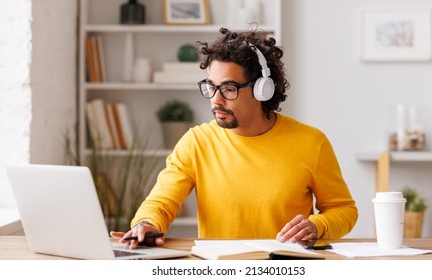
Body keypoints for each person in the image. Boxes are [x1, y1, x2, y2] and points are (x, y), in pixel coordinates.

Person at [111, 27, 358, 249]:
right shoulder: (196, 142)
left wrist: (318, 225)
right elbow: (160, 201)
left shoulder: (311, 142)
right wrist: (147, 223)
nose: (215, 100)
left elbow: (344, 210)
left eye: (229, 89)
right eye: (211, 87)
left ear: (263, 89)